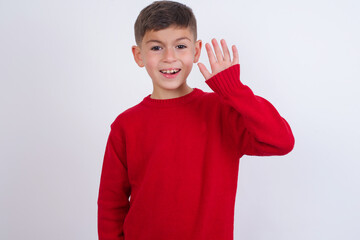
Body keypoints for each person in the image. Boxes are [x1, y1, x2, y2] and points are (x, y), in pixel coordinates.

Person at [97, 1, 295, 239]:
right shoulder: (125, 125)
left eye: (180, 46)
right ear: (138, 55)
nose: (169, 57)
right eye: (157, 48)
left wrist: (234, 90)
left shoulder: (221, 111)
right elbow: (111, 205)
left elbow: (281, 141)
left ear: (196, 50)